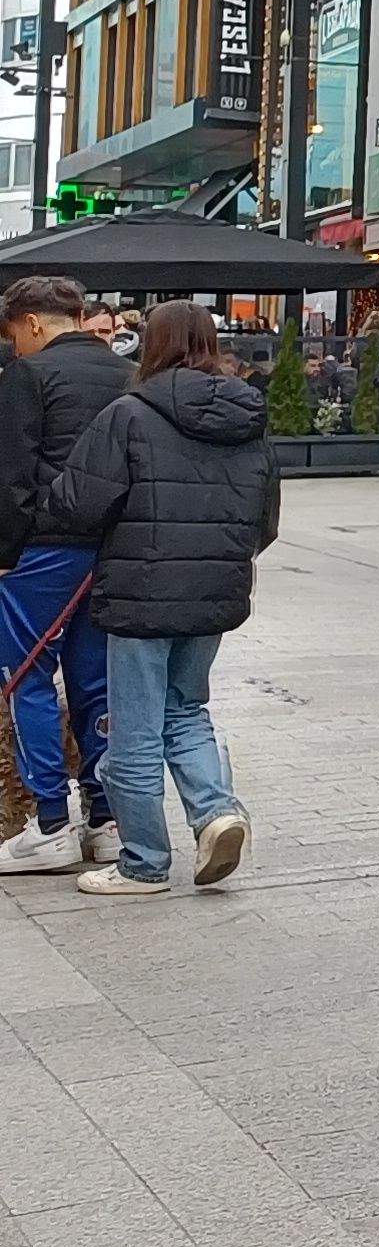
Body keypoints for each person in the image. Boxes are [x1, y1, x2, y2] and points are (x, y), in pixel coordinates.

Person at [48, 301, 274, 894]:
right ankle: (216, 813)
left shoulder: (129, 413)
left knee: (135, 731)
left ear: (151, 343)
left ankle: (144, 862)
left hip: (140, 595)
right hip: (214, 596)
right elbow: (265, 520)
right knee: (186, 711)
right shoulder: (248, 416)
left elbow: (78, 505)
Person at [0, 273, 124, 872]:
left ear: (31, 324)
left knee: (23, 677)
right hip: (113, 548)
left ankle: (50, 819)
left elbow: (13, 474)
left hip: (43, 549)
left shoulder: (29, 374)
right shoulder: (125, 373)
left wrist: (4, 551)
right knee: (93, 682)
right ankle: (104, 817)